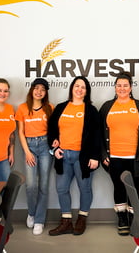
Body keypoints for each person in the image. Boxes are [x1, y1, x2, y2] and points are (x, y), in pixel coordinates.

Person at [99, 71, 139, 236]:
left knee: (135, 189)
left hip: (135, 159)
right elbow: (99, 134)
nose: (122, 88)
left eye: (125, 85)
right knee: (119, 188)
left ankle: (135, 220)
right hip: (114, 158)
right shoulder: (107, 107)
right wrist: (103, 155)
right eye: (119, 85)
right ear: (115, 88)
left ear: (130, 87)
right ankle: (122, 219)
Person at [47, 76, 101, 236]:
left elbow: (97, 136)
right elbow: (51, 130)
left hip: (83, 157)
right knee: (61, 188)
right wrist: (53, 147)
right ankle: (66, 222)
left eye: (83, 87)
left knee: (84, 188)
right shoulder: (61, 107)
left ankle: (82, 219)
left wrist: (95, 156)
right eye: (77, 86)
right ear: (72, 88)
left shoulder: (91, 110)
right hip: (63, 156)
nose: (79, 89)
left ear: (86, 91)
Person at [15, 78, 53, 235]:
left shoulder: (50, 108)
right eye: (36, 88)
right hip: (29, 146)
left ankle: (39, 220)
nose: (39, 91)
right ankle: (31, 212)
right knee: (31, 185)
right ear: (31, 90)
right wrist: (27, 152)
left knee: (43, 185)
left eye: (42, 89)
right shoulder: (23, 108)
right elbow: (20, 132)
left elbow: (54, 130)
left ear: (45, 93)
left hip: (45, 146)